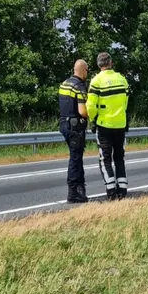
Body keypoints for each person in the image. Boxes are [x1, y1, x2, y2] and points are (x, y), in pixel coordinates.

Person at [87, 52, 130, 201]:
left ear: (98, 65)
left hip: (104, 125)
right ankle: (123, 191)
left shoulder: (96, 81)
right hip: (120, 124)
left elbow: (90, 105)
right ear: (111, 63)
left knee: (105, 159)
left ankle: (111, 192)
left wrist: (94, 118)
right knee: (119, 157)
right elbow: (125, 102)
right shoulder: (122, 79)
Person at [58, 60, 90, 203]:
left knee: (76, 158)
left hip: (65, 124)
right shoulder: (79, 87)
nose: (87, 74)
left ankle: (80, 190)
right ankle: (73, 193)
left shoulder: (64, 83)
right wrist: (93, 113)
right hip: (75, 127)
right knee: (75, 159)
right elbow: (82, 111)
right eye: (87, 70)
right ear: (82, 70)